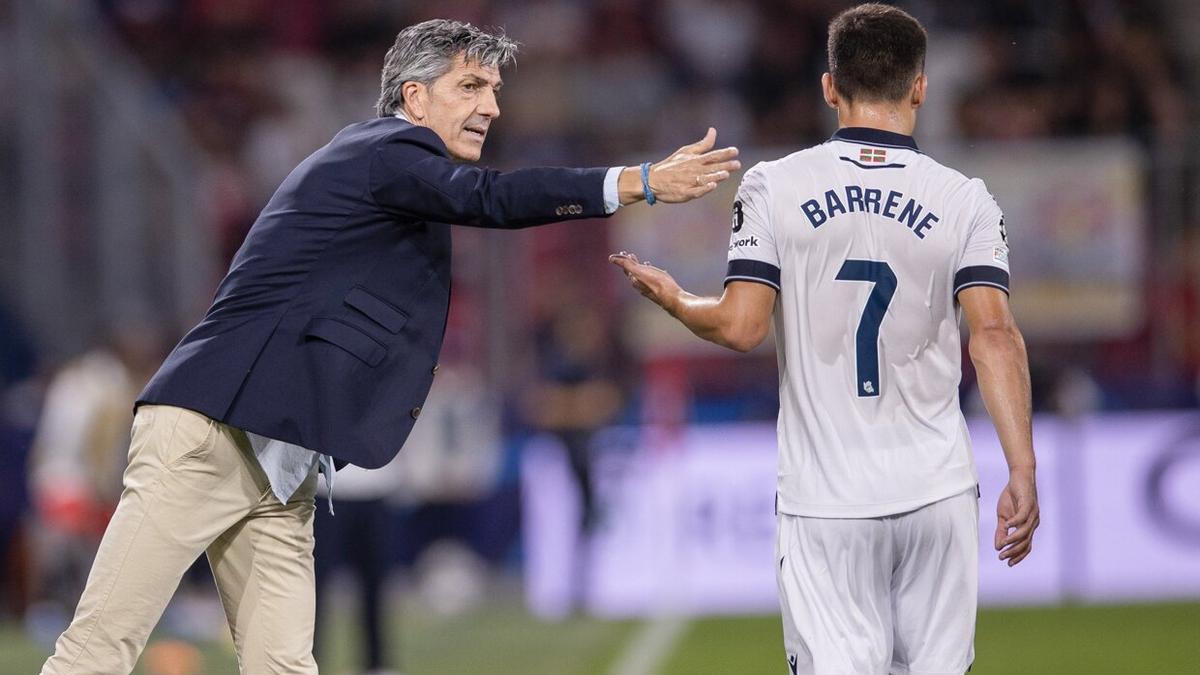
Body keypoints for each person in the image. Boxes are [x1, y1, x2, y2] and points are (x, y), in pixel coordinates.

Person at [40, 19, 740, 675]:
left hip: (278, 459)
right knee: (99, 649)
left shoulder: (390, 175)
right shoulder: (385, 151)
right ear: (414, 95)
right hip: (210, 433)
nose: (492, 106)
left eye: (494, 90)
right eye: (471, 86)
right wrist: (637, 181)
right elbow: (490, 199)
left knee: (284, 665)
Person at [610, 5, 1038, 673]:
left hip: (827, 502)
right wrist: (1023, 466)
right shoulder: (966, 199)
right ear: (920, 86)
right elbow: (994, 337)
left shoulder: (775, 186)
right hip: (937, 491)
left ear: (829, 87)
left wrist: (675, 299)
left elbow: (741, 325)